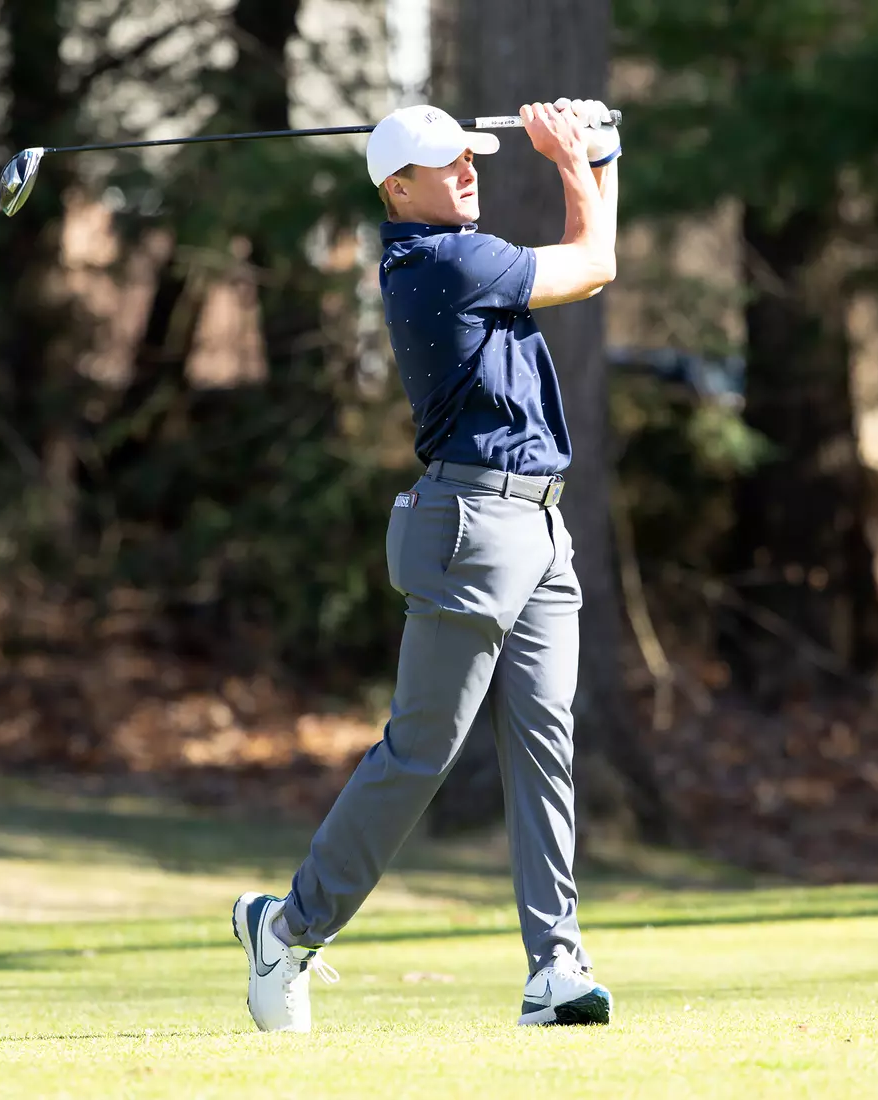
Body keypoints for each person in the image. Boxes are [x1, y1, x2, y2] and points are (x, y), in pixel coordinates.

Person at [232, 97, 621, 1032]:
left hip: (540, 527)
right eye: (449, 166)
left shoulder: (462, 250)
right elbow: (595, 261)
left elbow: (590, 254)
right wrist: (582, 158)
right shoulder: (441, 262)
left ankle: (555, 970)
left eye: (471, 158)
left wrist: (601, 152)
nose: (470, 172)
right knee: (423, 749)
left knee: (545, 749)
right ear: (398, 189)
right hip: (472, 527)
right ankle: (288, 928)